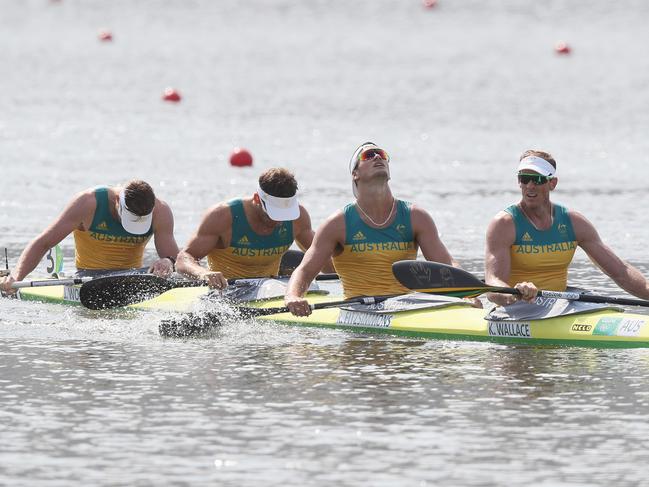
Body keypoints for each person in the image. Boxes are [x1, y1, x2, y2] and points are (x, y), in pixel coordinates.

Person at [284, 141, 460, 316]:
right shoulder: (337, 224)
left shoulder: (416, 217)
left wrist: (469, 294)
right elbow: (305, 271)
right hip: (359, 309)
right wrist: (293, 296)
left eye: (382, 154)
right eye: (368, 155)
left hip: (408, 307)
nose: (377, 157)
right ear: (355, 174)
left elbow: (447, 266)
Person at [485, 149, 649, 305]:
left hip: (560, 305)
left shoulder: (574, 222)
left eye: (538, 179)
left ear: (552, 183)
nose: (530, 185)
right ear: (519, 181)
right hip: (516, 307)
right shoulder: (504, 224)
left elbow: (620, 271)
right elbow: (493, 285)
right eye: (524, 178)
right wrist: (514, 293)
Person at [0, 180, 179, 294]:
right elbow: (44, 242)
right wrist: (16, 278)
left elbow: (176, 259)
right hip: (89, 279)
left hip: (132, 278)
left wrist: (168, 262)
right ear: (118, 201)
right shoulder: (87, 203)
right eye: (132, 219)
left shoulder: (161, 211)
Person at [175, 167, 332, 288]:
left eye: (285, 215)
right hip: (227, 291)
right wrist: (204, 274)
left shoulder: (299, 216)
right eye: (274, 213)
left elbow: (322, 259)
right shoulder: (222, 216)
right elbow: (183, 258)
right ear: (257, 198)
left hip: (271, 290)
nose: (279, 221)